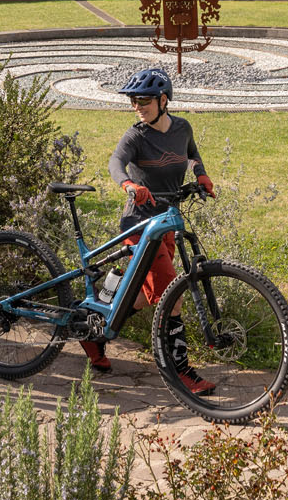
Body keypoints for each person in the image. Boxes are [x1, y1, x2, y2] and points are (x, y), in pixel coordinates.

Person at [81, 66, 217, 394]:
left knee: (146, 294)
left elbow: (192, 155)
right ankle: (180, 371)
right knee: (172, 293)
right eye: (133, 101)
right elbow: (116, 162)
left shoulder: (182, 128)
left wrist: (201, 174)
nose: (137, 106)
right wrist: (128, 184)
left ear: (163, 100)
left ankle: (92, 331)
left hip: (167, 221)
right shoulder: (136, 136)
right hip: (140, 225)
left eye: (143, 100)